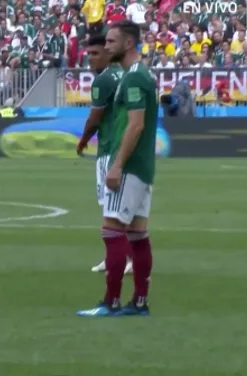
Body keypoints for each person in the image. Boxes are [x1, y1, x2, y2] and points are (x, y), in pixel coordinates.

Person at [77, 20, 158, 318]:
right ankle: (139, 302)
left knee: (111, 230)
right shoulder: (135, 74)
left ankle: (110, 302)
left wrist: (117, 165)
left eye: (111, 42)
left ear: (128, 43)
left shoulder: (134, 77)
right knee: (137, 234)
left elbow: (135, 126)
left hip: (129, 165)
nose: (106, 46)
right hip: (143, 166)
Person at [75, 33, 133, 276]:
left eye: (95, 53)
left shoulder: (104, 80)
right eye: (88, 54)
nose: (90, 58)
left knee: (112, 210)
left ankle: (126, 258)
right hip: (121, 147)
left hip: (110, 149)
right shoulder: (123, 74)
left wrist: (83, 141)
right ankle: (114, 257)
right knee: (116, 207)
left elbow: (94, 117)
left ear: (108, 54)